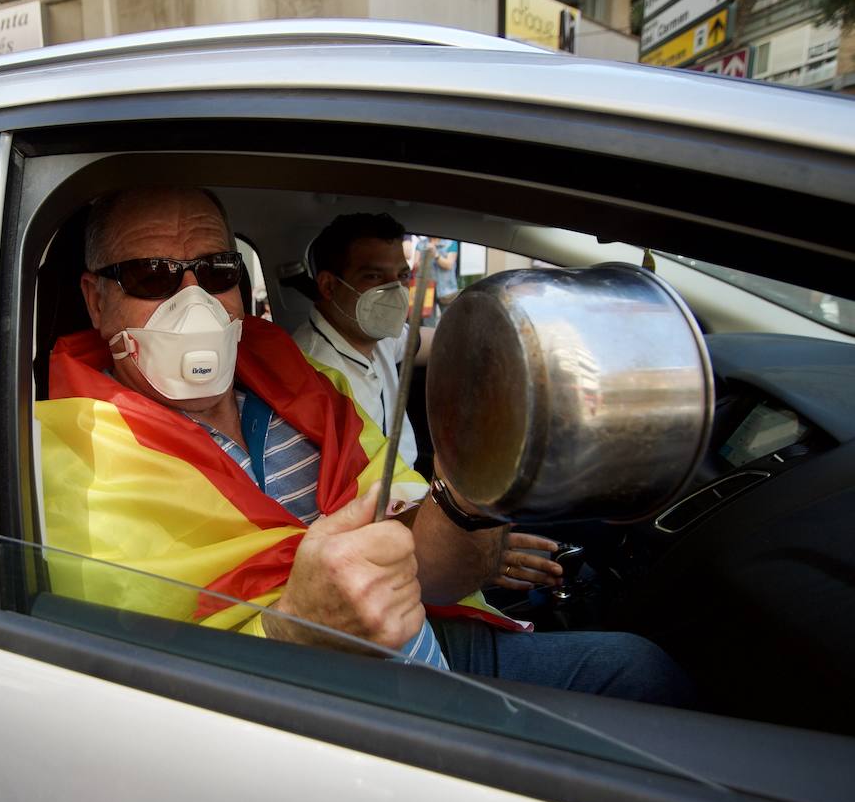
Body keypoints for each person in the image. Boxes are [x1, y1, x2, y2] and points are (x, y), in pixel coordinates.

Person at [36, 187, 691, 703]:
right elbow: (131, 701)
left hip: (427, 634)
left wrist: (473, 485)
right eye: (152, 276)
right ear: (96, 301)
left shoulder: (309, 387)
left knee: (637, 670)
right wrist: (294, 627)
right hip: (272, 699)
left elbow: (429, 559)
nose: (193, 301)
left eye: (215, 271)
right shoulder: (68, 457)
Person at [294, 214, 563, 594]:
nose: (393, 290)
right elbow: (354, 504)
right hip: (391, 537)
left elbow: (444, 342)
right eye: (373, 277)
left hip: (419, 500)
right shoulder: (307, 375)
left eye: (401, 277)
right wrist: (463, 546)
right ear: (328, 285)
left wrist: (524, 349)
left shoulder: (376, 336)